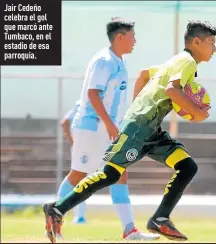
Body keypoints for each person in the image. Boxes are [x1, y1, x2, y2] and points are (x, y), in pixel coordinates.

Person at [43, 20, 216, 242]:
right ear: (196, 42)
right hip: (140, 128)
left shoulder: (175, 61)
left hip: (150, 128)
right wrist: (198, 113)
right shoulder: (188, 63)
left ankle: (160, 218)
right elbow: (172, 90)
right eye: (211, 42)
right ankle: (57, 209)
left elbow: (144, 74)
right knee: (110, 174)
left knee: (187, 166)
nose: (214, 48)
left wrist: (139, 106)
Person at [49, 18, 159, 241]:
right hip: (92, 128)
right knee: (79, 175)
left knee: (120, 174)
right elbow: (92, 93)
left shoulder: (119, 61)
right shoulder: (104, 61)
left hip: (108, 130)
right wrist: (109, 123)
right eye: (132, 36)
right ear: (120, 37)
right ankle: (54, 223)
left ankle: (129, 230)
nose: (135, 40)